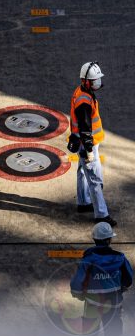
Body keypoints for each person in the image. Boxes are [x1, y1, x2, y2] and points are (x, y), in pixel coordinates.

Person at [70, 222, 132, 336]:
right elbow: (128, 279)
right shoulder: (120, 258)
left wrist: (77, 294)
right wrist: (121, 288)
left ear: (94, 239)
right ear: (110, 240)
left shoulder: (88, 259)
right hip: (114, 302)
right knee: (112, 335)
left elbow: (77, 282)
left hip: (92, 303)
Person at [70, 62, 115, 226]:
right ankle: (101, 214)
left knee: (83, 171)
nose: (98, 82)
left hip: (82, 141)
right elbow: (85, 128)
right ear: (86, 81)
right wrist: (89, 149)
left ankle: (83, 202)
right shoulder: (84, 101)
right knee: (95, 179)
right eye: (95, 80)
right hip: (87, 143)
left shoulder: (82, 92)